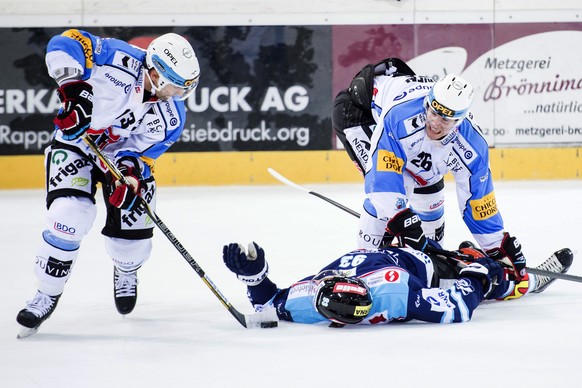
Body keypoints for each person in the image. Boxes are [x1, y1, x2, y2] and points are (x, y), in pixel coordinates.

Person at [16, 29, 200, 337]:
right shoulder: (116, 59)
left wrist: (130, 175)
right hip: (76, 143)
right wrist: (73, 89)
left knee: (133, 236)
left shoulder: (172, 117)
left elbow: (143, 155)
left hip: (116, 159)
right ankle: (47, 292)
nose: (176, 95)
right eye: (174, 86)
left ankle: (126, 269)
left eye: (184, 89)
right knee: (67, 216)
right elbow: (66, 42)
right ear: (154, 71)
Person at [332, 58, 528, 289]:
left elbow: (478, 201)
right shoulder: (399, 117)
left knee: (429, 212)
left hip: (403, 126)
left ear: (460, 120)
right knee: (390, 199)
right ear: (427, 103)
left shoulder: (473, 146)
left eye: (445, 118)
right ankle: (367, 262)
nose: (435, 123)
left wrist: (496, 245)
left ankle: (417, 261)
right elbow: (384, 179)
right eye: (433, 112)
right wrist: (400, 219)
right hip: (359, 114)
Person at [222, 240, 573, 326]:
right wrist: (477, 275)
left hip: (395, 250)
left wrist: (254, 274)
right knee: (491, 273)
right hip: (424, 269)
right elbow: (458, 307)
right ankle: (525, 281)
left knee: (473, 257)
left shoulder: (306, 300)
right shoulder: (392, 293)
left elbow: (267, 304)